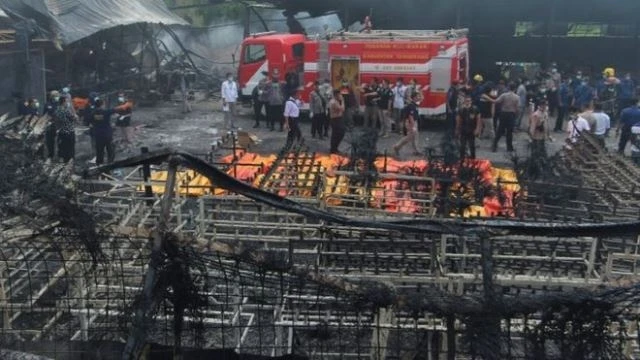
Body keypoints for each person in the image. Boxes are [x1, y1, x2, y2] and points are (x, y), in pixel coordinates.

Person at [492, 83, 521, 152]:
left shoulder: (504, 95)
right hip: (511, 114)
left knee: (500, 130)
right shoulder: (517, 97)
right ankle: (509, 147)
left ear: (508, 88)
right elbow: (517, 108)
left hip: (503, 113)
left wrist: (488, 98)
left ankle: (494, 145)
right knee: (509, 132)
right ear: (515, 89)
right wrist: (517, 115)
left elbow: (496, 101)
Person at [392, 92, 421, 157]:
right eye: (418, 96)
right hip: (411, 123)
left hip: (413, 122)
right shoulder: (411, 105)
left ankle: (416, 151)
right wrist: (413, 126)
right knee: (409, 137)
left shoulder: (414, 104)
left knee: (415, 137)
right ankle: (397, 147)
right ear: (414, 98)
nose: (419, 97)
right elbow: (411, 116)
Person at [91, 99, 117, 165]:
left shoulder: (93, 113)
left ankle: (99, 165)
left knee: (99, 151)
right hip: (107, 134)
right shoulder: (106, 112)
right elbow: (115, 110)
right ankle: (110, 164)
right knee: (110, 150)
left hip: (98, 134)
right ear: (102, 105)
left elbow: (90, 121)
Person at [54, 96, 78, 163]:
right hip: (69, 132)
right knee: (70, 149)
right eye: (67, 101)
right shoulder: (66, 110)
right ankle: (70, 163)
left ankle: (64, 163)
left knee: (63, 149)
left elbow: (56, 121)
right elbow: (75, 119)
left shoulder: (57, 110)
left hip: (61, 132)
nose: (67, 103)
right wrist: (75, 115)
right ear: (63, 102)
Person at [328, 89, 346, 154]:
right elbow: (342, 109)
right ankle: (333, 149)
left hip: (339, 119)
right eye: (339, 94)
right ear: (336, 95)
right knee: (336, 135)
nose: (340, 95)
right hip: (335, 120)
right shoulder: (333, 102)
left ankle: (335, 148)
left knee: (339, 133)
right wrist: (343, 100)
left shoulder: (336, 100)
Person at [44, 90, 60, 159]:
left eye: (57, 95)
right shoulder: (47, 104)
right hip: (50, 125)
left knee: (61, 141)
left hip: (59, 125)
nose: (57, 97)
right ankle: (51, 155)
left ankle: (61, 155)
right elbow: (44, 114)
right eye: (55, 95)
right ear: (51, 96)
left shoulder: (60, 104)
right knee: (50, 141)